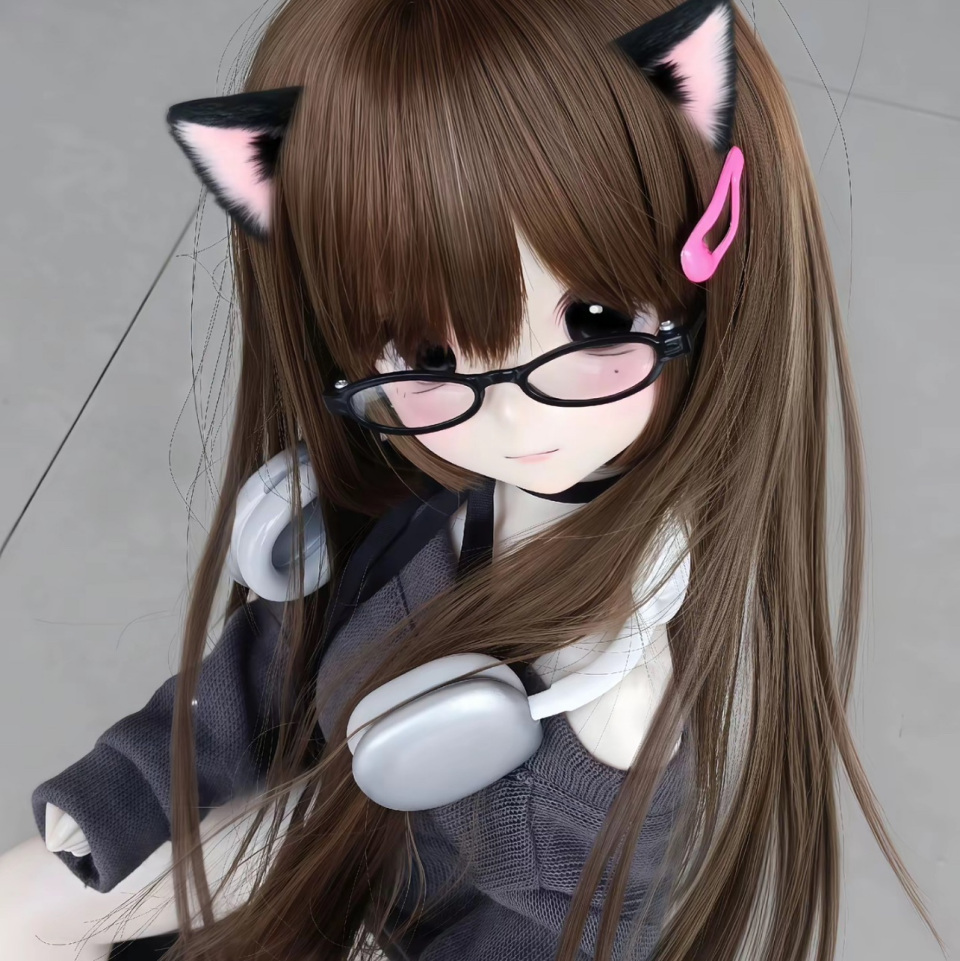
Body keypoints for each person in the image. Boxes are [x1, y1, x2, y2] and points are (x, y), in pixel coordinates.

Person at [0, 0, 938, 958]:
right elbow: (275, 659)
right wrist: (128, 783)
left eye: (599, 322)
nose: (516, 415)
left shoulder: (607, 696)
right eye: (430, 354)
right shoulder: (428, 512)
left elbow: (566, 931)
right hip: (331, 831)